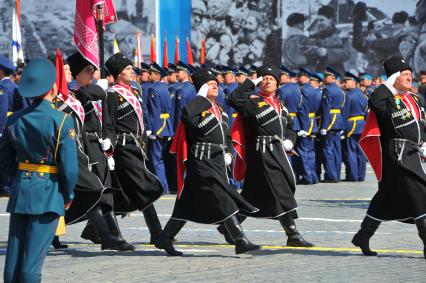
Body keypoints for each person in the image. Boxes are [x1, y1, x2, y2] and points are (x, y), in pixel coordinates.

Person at [155, 68, 260, 256]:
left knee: (186, 204)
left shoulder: (219, 108)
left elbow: (226, 135)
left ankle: (165, 237)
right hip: (201, 160)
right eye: (210, 85)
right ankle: (240, 240)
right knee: (223, 196)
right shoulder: (196, 105)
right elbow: (188, 119)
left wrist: (228, 151)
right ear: (202, 88)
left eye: (216, 84)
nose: (215, 87)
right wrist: (201, 98)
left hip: (217, 161)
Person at [1, 58, 78, 283]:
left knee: (13, 261)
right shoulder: (61, 120)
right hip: (48, 192)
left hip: (21, 192)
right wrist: (68, 194)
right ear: (53, 88)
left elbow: (4, 161)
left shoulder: (15, 119)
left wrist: (19, 179)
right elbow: (70, 168)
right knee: (32, 263)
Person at [225, 66, 314, 247]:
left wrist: (290, 140)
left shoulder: (280, 105)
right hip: (261, 152)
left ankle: (229, 228)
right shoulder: (251, 103)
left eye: (271, 79)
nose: (267, 81)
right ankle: (292, 233)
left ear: (277, 84)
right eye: (264, 79)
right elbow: (234, 98)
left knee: (254, 196)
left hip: (278, 152)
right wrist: (252, 82)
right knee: (281, 190)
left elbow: (289, 127)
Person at [60, 52, 134, 251]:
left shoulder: (93, 92)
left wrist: (109, 141)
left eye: (93, 70)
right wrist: (96, 88)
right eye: (87, 70)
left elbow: (108, 122)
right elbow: (91, 95)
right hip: (85, 146)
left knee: (103, 192)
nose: (92, 73)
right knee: (95, 192)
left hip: (100, 146)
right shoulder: (75, 95)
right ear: (76, 75)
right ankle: (112, 236)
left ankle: (105, 234)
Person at [354, 56, 426, 259]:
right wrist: (388, 84)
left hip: (412, 153)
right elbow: (375, 102)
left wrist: (425, 143)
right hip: (397, 154)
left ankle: (363, 236)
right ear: (393, 78)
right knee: (421, 193)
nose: (409, 77)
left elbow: (420, 125)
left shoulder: (414, 98)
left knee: (385, 198)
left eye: (410, 74)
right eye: (404, 74)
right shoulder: (385, 100)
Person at [105, 53, 164, 244]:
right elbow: (109, 125)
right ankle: (156, 233)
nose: (132, 71)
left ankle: (98, 230)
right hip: (123, 148)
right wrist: (110, 150)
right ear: (119, 73)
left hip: (135, 146)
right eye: (128, 68)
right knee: (143, 186)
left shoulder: (135, 91)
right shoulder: (113, 95)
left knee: (124, 191)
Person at [146, 62, 174, 193]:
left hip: (158, 128)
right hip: (167, 126)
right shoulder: (166, 88)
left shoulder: (154, 89)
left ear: (157, 75)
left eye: (150, 73)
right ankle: (165, 186)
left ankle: (161, 187)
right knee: (161, 158)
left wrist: (153, 130)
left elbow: (154, 111)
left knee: (156, 160)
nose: (148, 75)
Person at [319, 67, 346, 182]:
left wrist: (324, 126)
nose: (324, 79)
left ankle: (331, 175)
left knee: (328, 149)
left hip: (330, 121)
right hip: (338, 120)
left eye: (326, 77)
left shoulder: (327, 90)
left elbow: (326, 109)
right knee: (336, 150)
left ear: (332, 78)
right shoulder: (340, 90)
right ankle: (337, 175)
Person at [341, 72, 368, 182]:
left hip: (351, 124)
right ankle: (361, 176)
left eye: (346, 82)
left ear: (353, 82)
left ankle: (352, 176)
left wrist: (343, 128)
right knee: (361, 152)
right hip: (362, 124)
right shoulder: (363, 96)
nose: (344, 84)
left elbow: (345, 113)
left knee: (350, 151)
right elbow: (366, 113)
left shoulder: (348, 95)